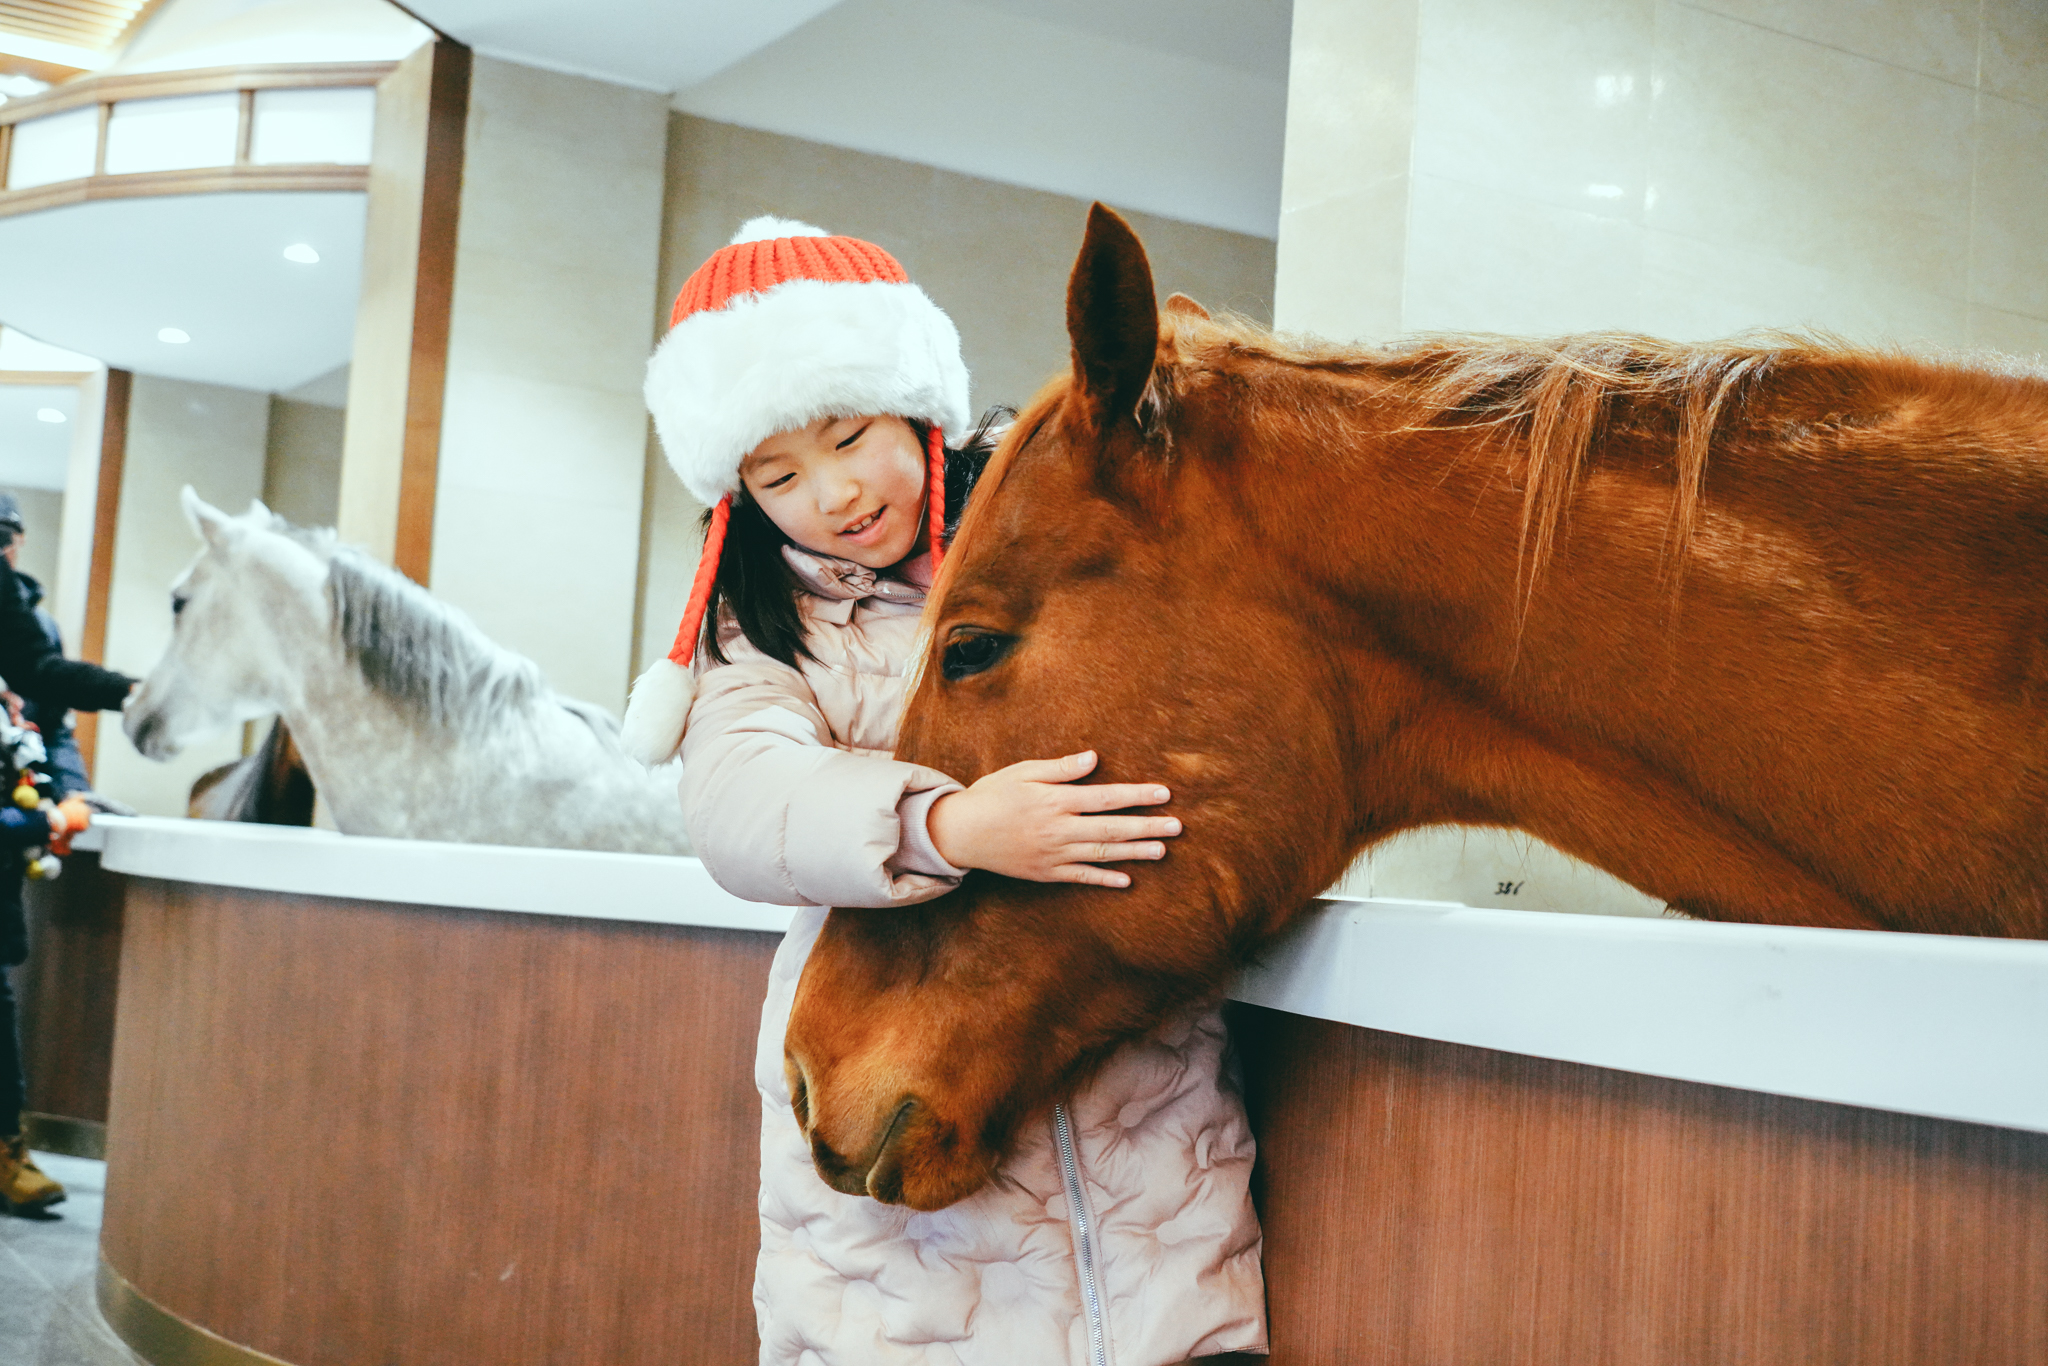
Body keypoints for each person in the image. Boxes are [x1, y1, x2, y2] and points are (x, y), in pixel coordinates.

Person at [622, 220, 1265, 1366]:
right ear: (737, 497)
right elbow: (737, 799)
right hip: (894, 1069)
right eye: (776, 475)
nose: (829, 492)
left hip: (1131, 1093)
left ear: (913, 403)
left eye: (848, 436)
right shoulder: (761, 626)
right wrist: (946, 824)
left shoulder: (1066, 534)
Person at [0, 494, 135, 1213]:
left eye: (6, 538)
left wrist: (70, 798)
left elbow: (52, 727)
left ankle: (4, 1153)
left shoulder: (31, 628)